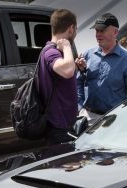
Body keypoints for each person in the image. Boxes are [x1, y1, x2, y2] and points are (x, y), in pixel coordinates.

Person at [75, 13, 127, 123]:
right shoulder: (88, 55)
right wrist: (80, 108)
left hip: (114, 121)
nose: (98, 34)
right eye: (97, 31)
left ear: (115, 32)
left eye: (102, 30)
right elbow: (78, 82)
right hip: (87, 117)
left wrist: (121, 117)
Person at [38, 9, 78, 146]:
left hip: (63, 123)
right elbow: (67, 71)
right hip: (59, 125)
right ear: (71, 28)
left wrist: (77, 66)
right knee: (65, 166)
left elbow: (65, 74)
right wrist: (67, 47)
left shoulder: (55, 52)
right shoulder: (51, 52)